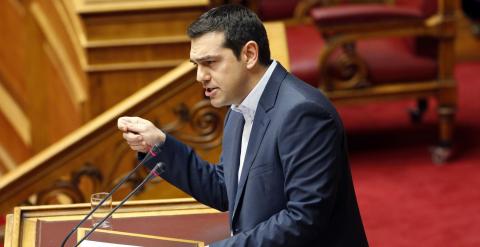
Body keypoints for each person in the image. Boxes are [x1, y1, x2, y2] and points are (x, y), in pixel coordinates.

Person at [118, 4, 368, 246]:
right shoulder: (239, 108)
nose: (200, 76)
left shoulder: (304, 113)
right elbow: (226, 190)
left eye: (210, 63)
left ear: (249, 54)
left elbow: (303, 218)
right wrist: (159, 145)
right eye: (197, 65)